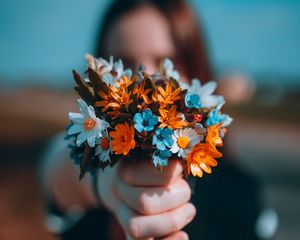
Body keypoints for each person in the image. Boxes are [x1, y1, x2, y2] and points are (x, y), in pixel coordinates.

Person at [42, 0, 263, 239]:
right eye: (124, 63)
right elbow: (57, 165)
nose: (145, 78)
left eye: (166, 61)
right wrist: (104, 184)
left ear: (196, 69)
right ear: (98, 75)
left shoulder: (242, 193)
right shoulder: (86, 160)